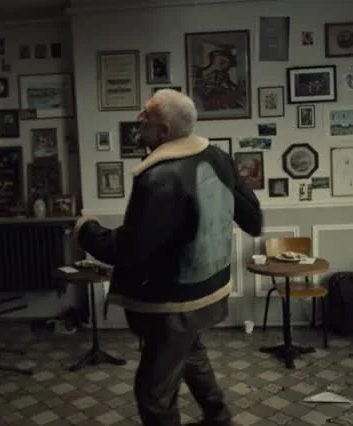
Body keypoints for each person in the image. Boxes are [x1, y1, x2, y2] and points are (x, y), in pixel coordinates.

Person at [74, 89, 262, 426]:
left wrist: (86, 229)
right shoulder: (218, 157)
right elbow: (253, 220)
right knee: (191, 355)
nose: (139, 119)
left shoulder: (158, 176)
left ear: (164, 131)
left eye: (146, 114)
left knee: (153, 394)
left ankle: (219, 418)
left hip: (172, 305)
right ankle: (219, 419)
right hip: (208, 292)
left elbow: (127, 249)